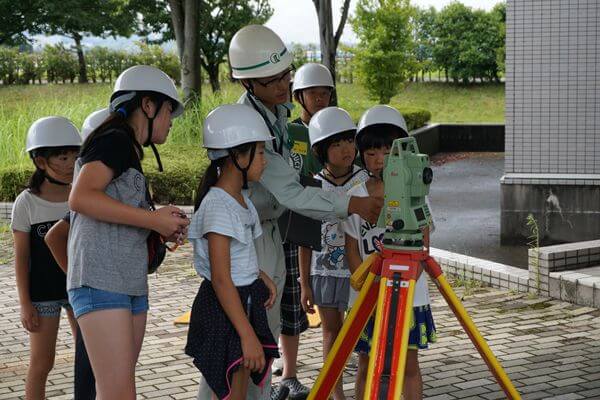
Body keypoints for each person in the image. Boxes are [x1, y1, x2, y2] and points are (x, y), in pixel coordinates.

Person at [194, 24, 381, 400]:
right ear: (249, 84)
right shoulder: (249, 131)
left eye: (285, 75)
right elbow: (292, 191)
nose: (284, 85)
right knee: (246, 341)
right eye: (272, 79)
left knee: (264, 332)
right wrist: (352, 203)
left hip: (269, 231)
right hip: (256, 233)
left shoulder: (274, 115)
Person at [67, 65, 189, 399]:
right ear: (147, 106)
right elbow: (80, 197)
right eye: (168, 111)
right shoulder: (115, 139)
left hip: (126, 281)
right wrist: (153, 220)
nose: (170, 121)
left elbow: (119, 213)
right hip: (100, 280)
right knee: (119, 393)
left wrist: (160, 226)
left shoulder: (128, 149)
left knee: (120, 391)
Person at [185, 104, 282, 400]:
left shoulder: (239, 199)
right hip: (226, 308)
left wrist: (259, 274)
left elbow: (237, 258)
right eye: (261, 153)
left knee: (237, 391)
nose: (265, 161)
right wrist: (247, 335)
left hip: (241, 302)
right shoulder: (218, 206)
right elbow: (221, 278)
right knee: (229, 393)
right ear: (238, 156)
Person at [342, 105, 437, 400]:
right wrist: (370, 285)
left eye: (387, 151)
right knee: (366, 363)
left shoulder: (415, 195)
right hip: (368, 296)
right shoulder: (355, 195)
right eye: (372, 153)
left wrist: (401, 283)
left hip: (409, 295)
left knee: (409, 365)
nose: (380, 159)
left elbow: (423, 245)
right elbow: (352, 250)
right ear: (362, 154)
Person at [271, 63, 335, 398]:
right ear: (300, 97)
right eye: (313, 92)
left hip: (328, 218)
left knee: (319, 291)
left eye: (325, 92)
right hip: (290, 216)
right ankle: (285, 364)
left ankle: (315, 359)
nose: (321, 98)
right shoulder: (289, 131)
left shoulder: (338, 129)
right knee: (287, 292)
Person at [298, 107, 368, 400]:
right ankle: (335, 392)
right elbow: (304, 240)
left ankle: (363, 390)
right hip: (324, 272)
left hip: (361, 271)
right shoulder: (313, 186)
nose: (346, 149)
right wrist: (304, 283)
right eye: (336, 144)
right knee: (332, 333)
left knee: (364, 336)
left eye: (349, 141)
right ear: (320, 150)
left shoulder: (366, 180)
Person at [11, 116, 82, 399]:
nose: (69, 164)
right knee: (42, 363)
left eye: (74, 156)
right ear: (41, 162)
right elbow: (21, 257)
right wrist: (25, 303)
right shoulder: (26, 202)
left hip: (81, 289)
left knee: (89, 359)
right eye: (61, 157)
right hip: (43, 296)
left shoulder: (83, 194)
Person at [44, 107, 111, 400]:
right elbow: (54, 236)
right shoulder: (93, 195)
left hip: (111, 296)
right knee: (91, 376)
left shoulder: (110, 188)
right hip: (97, 298)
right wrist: (77, 281)